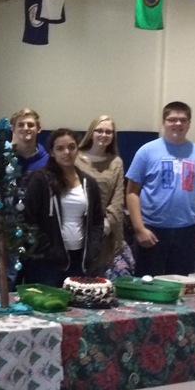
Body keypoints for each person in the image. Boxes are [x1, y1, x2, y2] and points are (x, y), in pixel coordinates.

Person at [126, 102, 195, 276]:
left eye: (183, 120)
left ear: (189, 123)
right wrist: (139, 229)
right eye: (172, 119)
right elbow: (131, 192)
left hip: (188, 231)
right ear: (164, 122)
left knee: (182, 287)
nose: (178, 124)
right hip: (152, 230)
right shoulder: (146, 151)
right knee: (147, 284)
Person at [23, 129, 103, 287]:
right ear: (52, 152)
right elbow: (28, 220)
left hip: (79, 261)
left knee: (76, 309)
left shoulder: (89, 183)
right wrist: (48, 251)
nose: (67, 152)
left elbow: (97, 221)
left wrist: (92, 250)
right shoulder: (40, 179)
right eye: (60, 148)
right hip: (47, 264)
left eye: (72, 147)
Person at [76, 116, 133, 277]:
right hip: (78, 227)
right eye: (99, 130)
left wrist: (105, 224)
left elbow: (117, 197)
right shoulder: (76, 159)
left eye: (108, 132)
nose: (104, 135)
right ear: (91, 133)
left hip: (105, 232)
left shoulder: (116, 162)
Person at [11, 108, 48, 178]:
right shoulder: (4, 159)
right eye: (21, 125)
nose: (26, 128)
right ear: (13, 129)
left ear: (39, 129)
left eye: (30, 125)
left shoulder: (49, 161)